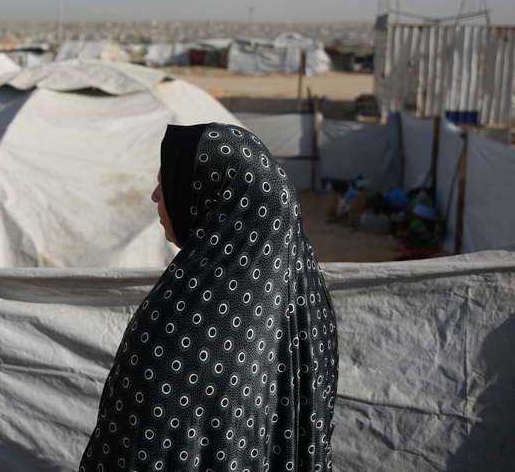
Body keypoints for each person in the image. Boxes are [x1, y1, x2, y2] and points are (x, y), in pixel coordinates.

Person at [79, 122, 338, 472]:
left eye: (166, 181)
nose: (156, 195)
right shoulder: (309, 309)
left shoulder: (179, 327)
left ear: (208, 195)